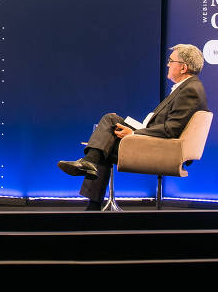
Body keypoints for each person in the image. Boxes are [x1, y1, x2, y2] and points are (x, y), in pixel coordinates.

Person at [56, 44, 208, 210]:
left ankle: (90, 175)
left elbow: (171, 129)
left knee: (106, 133)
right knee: (109, 128)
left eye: (171, 61)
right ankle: (91, 179)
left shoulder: (190, 90)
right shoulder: (187, 87)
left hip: (162, 149)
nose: (168, 64)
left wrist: (135, 133)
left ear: (183, 67)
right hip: (155, 141)